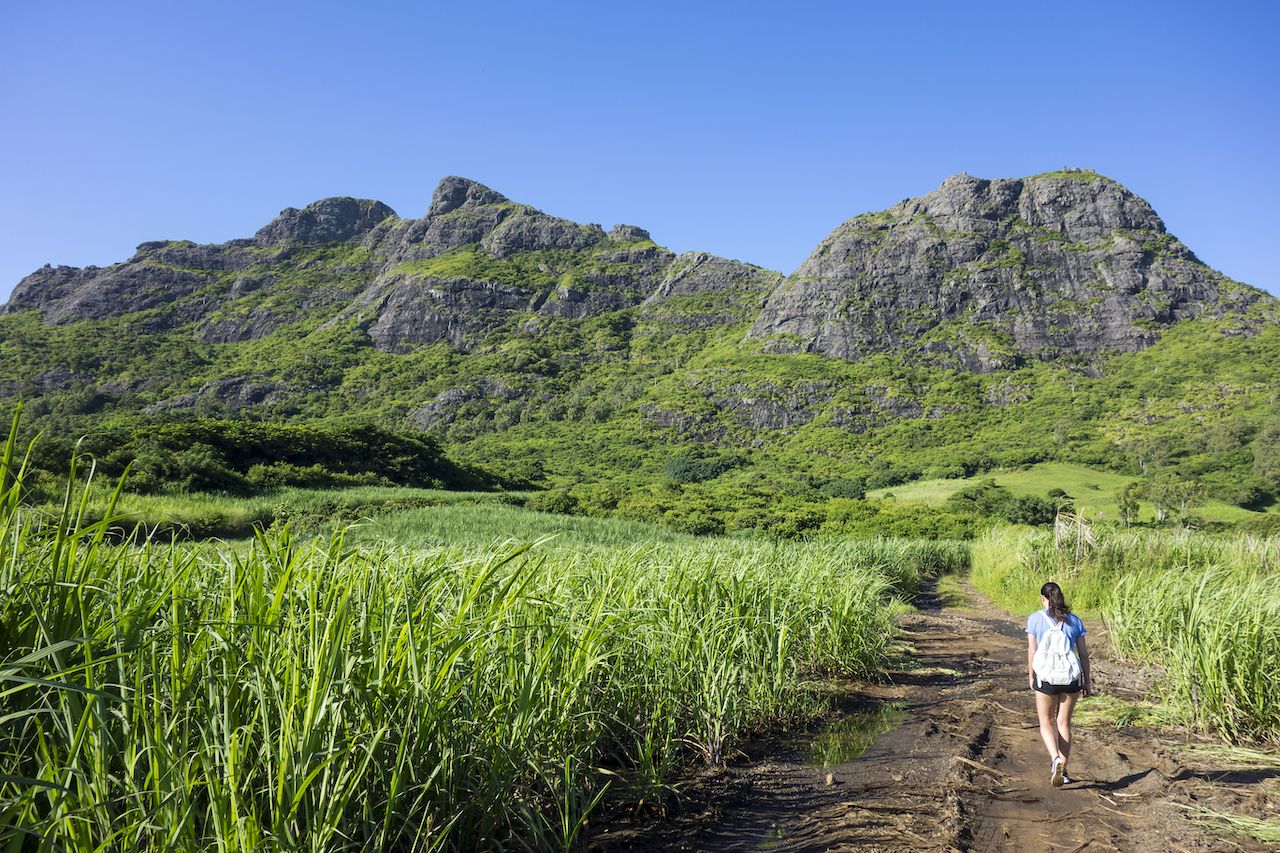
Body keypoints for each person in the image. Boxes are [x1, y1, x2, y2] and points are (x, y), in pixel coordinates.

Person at [1026, 581, 1091, 787]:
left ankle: (1055, 759)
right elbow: (1083, 654)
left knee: (1046, 722)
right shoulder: (1075, 621)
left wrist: (1031, 675)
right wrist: (1087, 681)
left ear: (1043, 599)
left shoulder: (1036, 619)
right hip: (1071, 678)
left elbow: (1032, 652)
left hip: (1046, 678)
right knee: (1063, 723)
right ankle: (1063, 769)